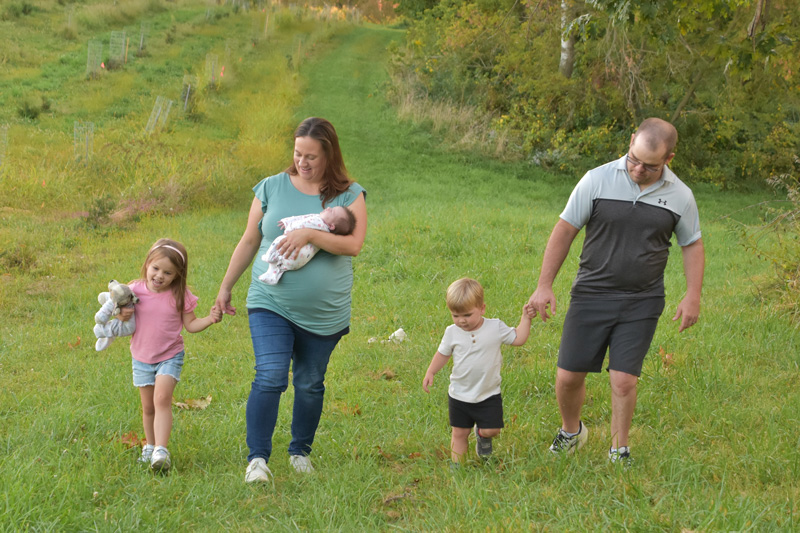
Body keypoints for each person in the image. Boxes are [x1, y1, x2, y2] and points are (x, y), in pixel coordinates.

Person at [527, 118, 705, 466]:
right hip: (591, 293)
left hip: (642, 299)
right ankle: (571, 431)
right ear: (631, 140)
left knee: (623, 380)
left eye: (649, 166)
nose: (638, 169)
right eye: (633, 159)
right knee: (568, 377)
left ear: (669, 159)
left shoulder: (680, 196)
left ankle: (618, 449)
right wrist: (544, 285)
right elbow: (565, 230)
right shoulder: (597, 179)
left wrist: (693, 294)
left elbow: (692, 244)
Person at [214, 117, 367, 484]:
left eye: (312, 156)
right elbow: (250, 240)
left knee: (310, 382)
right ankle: (257, 460)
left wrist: (309, 235)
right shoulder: (271, 187)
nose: (303, 162)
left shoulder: (350, 194)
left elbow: (353, 244)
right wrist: (225, 287)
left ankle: (299, 451)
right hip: (271, 300)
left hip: (323, 313)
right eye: (298, 153)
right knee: (269, 375)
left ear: (329, 155)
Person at [124, 238, 222, 473]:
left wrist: (210, 319)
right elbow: (122, 314)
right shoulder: (134, 290)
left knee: (162, 399)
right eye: (155, 268)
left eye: (168, 273)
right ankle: (149, 447)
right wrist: (121, 314)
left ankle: (161, 450)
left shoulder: (180, 295)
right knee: (148, 407)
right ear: (147, 264)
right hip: (141, 357)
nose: (159, 276)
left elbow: (191, 325)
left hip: (170, 355)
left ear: (178, 275)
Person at [423, 278, 533, 465]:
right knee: (459, 433)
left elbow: (518, 338)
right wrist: (431, 372)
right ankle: (458, 468)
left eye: (467, 315)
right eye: (455, 315)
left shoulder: (494, 327)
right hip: (459, 394)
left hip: (488, 393)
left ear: (482, 308)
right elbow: (443, 354)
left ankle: (482, 434)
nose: (461, 321)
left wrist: (526, 318)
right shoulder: (452, 332)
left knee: (493, 430)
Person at [259, 205, 356, 285]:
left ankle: (270, 257)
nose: (329, 208)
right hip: (297, 261)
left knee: (280, 241)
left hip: (294, 252)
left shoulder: (318, 222)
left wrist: (289, 225)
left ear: (331, 226)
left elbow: (302, 221)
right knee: (281, 263)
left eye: (332, 212)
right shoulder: (326, 234)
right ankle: (274, 275)